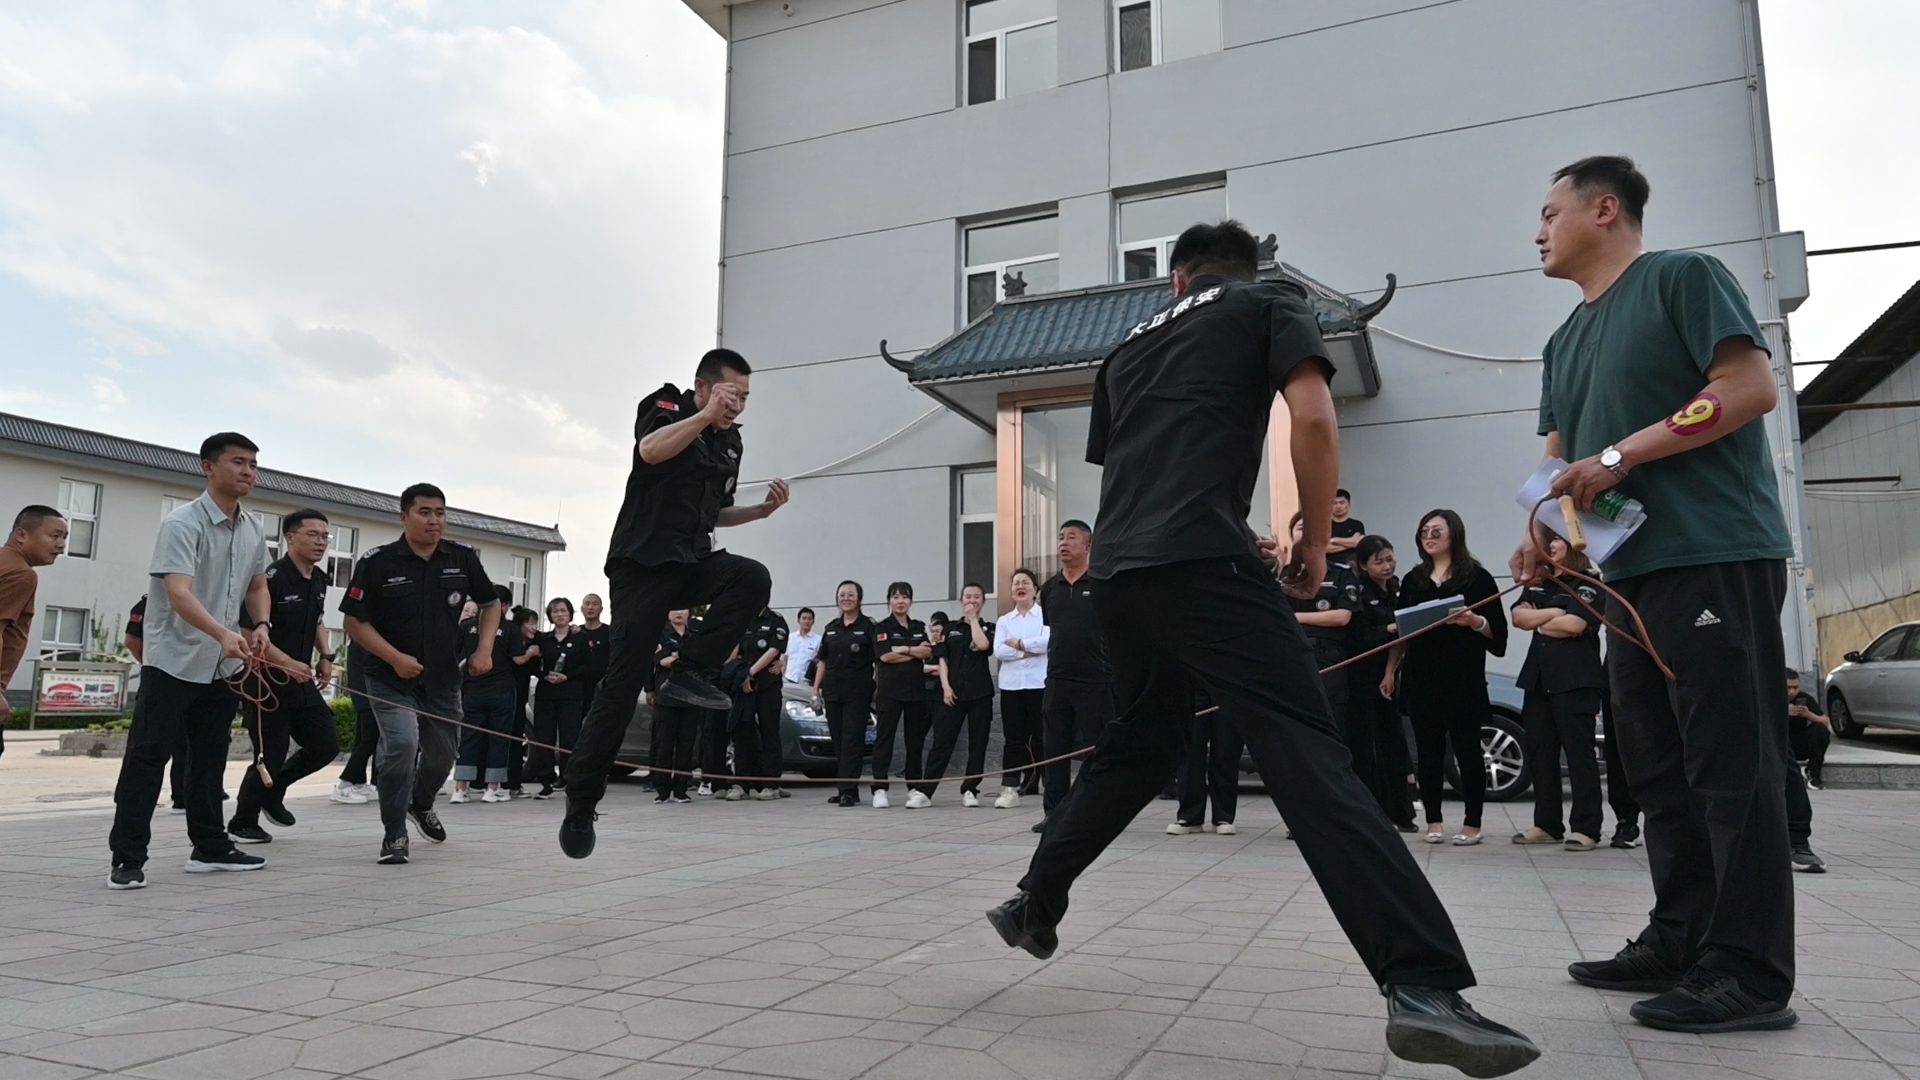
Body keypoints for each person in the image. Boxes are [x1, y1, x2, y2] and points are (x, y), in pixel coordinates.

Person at [988, 222, 1537, 1077]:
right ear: (1245, 271)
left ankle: (1035, 898)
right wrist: (1314, 539)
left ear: (1176, 280)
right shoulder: (1269, 300)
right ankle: (1422, 984)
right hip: (1204, 567)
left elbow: (1137, 471)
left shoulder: (1125, 349)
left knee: (1142, 745)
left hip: (1122, 575)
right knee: (1307, 752)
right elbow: (1311, 415)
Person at [1523, 156, 1799, 1033]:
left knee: (1729, 762)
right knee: (1653, 765)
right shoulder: (1562, 342)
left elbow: (1748, 388)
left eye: (1551, 212)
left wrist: (1620, 456)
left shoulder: (1683, 278)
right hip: (1627, 577)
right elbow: (1558, 461)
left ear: (1605, 209)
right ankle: (1681, 939)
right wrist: (1539, 533)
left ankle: (1749, 971)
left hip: (1713, 553)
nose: (1538, 230)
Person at [560, 348, 788, 858]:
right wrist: (703, 417)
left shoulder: (731, 442)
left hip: (690, 562)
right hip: (642, 566)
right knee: (621, 687)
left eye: (745, 397)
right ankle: (581, 801)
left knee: (751, 577)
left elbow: (718, 511)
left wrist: (760, 512)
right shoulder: (667, 406)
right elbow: (650, 451)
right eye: (730, 394)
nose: (737, 405)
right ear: (702, 387)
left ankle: (691, 670)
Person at [109, 433, 275, 890]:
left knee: (209, 758)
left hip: (221, 664)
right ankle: (127, 857)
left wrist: (261, 625)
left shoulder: (253, 527)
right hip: (173, 659)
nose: (248, 471)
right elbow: (178, 593)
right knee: (148, 756)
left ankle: (210, 847)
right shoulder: (182, 523)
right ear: (208, 467)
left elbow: (258, 585)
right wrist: (222, 633)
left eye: (253, 464)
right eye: (238, 462)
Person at [341, 482, 501, 866]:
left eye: (440, 513)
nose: (434, 520)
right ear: (404, 516)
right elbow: (353, 623)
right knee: (401, 745)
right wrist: (395, 657)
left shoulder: (462, 558)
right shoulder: (378, 562)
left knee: (443, 755)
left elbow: (491, 603)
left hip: (442, 679)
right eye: (424, 512)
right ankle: (394, 833)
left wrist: (484, 649)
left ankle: (421, 802)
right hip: (389, 677)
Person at [227, 510, 341, 844]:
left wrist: (325, 656)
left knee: (325, 745)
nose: (320, 542)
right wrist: (286, 662)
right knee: (271, 754)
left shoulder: (318, 579)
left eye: (325, 536)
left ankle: (273, 791)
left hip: (301, 679)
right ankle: (243, 822)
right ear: (290, 538)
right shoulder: (271, 579)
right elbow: (248, 631)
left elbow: (316, 619)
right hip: (266, 682)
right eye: (312, 535)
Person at [1398, 509, 1508, 847]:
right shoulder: (1413, 580)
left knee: (1468, 752)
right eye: (1424, 531)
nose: (1428, 537)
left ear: (1454, 535)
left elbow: (1499, 636)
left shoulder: (1478, 578)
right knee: (1428, 753)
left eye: (1437, 531)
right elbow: (1401, 631)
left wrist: (1474, 621)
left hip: (1463, 679)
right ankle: (1433, 821)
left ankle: (1473, 823)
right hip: (1421, 677)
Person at [1509, 530, 1606, 851]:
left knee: (1579, 756)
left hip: (1575, 681)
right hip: (1538, 679)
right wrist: (1554, 615)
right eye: (1548, 539)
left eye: (1557, 539)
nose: (1550, 545)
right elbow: (1518, 617)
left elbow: (1575, 625)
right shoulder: (1540, 582)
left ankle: (1586, 828)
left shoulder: (1590, 584)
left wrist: (1539, 619)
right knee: (1541, 753)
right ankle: (1547, 824)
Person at [1037, 522, 1113, 833]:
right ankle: (1054, 813)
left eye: (1072, 538)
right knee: (1054, 748)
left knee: (1097, 749)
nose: (1064, 543)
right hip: (1057, 679)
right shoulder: (1050, 589)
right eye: (1061, 537)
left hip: (1095, 679)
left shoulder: (1101, 583)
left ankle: (1095, 812)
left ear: (1088, 547)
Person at [1285, 512, 1364, 806]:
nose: (1305, 534)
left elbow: (1342, 617)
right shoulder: (1281, 575)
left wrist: (1294, 617)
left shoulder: (1342, 573)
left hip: (1329, 659)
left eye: (1311, 528)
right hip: (1290, 658)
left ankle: (1335, 804)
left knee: (1332, 734)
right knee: (1296, 737)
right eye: (1299, 528)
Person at [1349, 535, 1417, 831]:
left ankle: (1401, 812)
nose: (1387, 566)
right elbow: (1358, 637)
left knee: (1394, 743)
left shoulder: (1396, 588)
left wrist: (1390, 672)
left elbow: (1401, 639)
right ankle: (1369, 813)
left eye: (1390, 559)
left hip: (1388, 673)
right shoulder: (1358, 592)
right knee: (1365, 745)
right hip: (1360, 675)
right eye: (1379, 562)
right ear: (1364, 565)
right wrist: (1389, 628)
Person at [0, 505, 68, 761]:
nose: (61, 545)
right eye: (54, 536)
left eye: (64, 537)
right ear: (21, 534)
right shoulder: (20, 573)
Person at [922, 584, 996, 807]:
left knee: (978, 743)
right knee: (942, 741)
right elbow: (942, 659)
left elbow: (982, 645)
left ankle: (970, 789)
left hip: (980, 693)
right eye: (967, 596)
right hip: (953, 693)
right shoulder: (950, 628)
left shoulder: (988, 627)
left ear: (983, 601)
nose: (971, 600)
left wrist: (973, 620)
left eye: (976, 597)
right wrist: (946, 687)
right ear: (961, 600)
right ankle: (925, 791)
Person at [454, 604, 536, 803]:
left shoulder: (467, 626)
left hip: (472, 690)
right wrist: (531, 652)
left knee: (468, 739)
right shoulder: (509, 629)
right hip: (501, 691)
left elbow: (455, 654)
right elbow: (518, 659)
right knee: (499, 739)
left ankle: (460, 789)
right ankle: (492, 788)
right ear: (503, 606)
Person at [125, 595, 200, 813]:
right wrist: (153, 664)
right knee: (146, 744)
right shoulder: (152, 601)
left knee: (185, 743)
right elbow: (132, 639)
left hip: (193, 679)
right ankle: (128, 800)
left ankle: (183, 795)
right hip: (161, 677)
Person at [869, 582, 933, 809]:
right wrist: (914, 652)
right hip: (890, 692)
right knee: (884, 740)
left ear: (911, 601)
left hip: (915, 691)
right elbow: (885, 656)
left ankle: (914, 786)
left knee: (914, 741)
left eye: (905, 597)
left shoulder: (917, 626)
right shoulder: (882, 627)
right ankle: (879, 788)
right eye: (895, 597)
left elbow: (927, 651)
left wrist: (903, 649)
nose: (900, 601)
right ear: (889, 601)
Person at [814, 581, 875, 807]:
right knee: (839, 741)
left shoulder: (868, 627)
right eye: (842, 595)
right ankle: (846, 789)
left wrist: (876, 689)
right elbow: (823, 661)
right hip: (832, 692)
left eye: (851, 595)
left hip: (857, 693)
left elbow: (877, 662)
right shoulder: (831, 628)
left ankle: (848, 790)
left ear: (859, 599)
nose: (846, 598)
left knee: (852, 741)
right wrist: (815, 689)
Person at [993, 567, 1049, 809]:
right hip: (1012, 685)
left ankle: (1050, 785)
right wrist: (1026, 650)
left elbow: (1048, 642)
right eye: (1016, 583)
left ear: (1035, 590)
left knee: (1042, 735)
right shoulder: (1004, 621)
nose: (1020, 586)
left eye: (1025, 582)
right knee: (1013, 739)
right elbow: (999, 650)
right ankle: (1010, 788)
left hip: (1039, 683)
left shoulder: (1046, 615)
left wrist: (1018, 644)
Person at [528, 597, 587, 799]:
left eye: (563, 610)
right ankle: (546, 782)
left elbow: (589, 665)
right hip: (546, 694)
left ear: (570, 613)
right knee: (544, 738)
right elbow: (532, 663)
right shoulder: (543, 639)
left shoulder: (580, 637)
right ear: (550, 616)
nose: (560, 614)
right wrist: (544, 675)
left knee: (570, 738)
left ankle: (568, 779)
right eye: (555, 611)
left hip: (571, 694)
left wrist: (567, 676)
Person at [1169, 688, 1241, 835]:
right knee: (1189, 749)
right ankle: (1190, 815)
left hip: (1229, 685)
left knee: (1226, 749)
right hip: (1193, 684)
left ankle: (1223, 816)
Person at [735, 604, 790, 800]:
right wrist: (739, 673)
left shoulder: (776, 620)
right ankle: (741, 783)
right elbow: (735, 651)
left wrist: (750, 673)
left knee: (769, 732)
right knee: (742, 733)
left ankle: (771, 783)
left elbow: (774, 650)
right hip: (743, 686)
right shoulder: (742, 618)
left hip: (767, 684)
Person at [649, 610, 699, 802]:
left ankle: (681, 789)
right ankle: (662, 790)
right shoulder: (660, 634)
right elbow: (663, 660)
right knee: (664, 745)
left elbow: (703, 659)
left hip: (691, 696)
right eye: (675, 609)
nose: (679, 613)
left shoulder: (695, 634)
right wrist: (688, 660)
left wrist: (679, 658)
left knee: (686, 745)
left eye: (683, 609)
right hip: (667, 697)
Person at [1785, 668, 1829, 873]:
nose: (1792, 692)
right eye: (1788, 688)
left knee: (1820, 730)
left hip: (1795, 746)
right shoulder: (1772, 698)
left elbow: (1826, 722)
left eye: (1795, 687)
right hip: (1774, 738)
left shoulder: (1804, 699)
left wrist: (1808, 714)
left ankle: (1813, 773)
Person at [332, 639, 380, 804]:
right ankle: (345, 784)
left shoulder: (359, 639)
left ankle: (359, 783)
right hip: (368, 696)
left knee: (364, 740)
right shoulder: (363, 638)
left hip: (366, 696)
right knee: (370, 741)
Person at [578, 593, 611, 719]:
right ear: (581, 609)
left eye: (595, 604)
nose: (590, 607)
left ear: (601, 609)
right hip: (579, 688)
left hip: (602, 688)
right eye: (587, 604)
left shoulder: (609, 632)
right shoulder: (576, 632)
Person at [1328, 489, 1366, 567]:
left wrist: (1334, 540)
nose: (1338, 506)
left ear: (1349, 505)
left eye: (1342, 503)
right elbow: (1324, 549)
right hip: (1330, 567)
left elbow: (1359, 543)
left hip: (1352, 566)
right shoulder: (1325, 526)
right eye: (1334, 503)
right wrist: (1350, 543)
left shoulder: (1357, 525)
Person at [786, 606, 821, 685]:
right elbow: (785, 658)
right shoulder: (790, 638)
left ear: (813, 621)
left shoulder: (818, 640)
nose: (807, 621)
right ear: (799, 620)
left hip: (806, 682)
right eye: (804, 618)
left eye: (809, 619)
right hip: (788, 679)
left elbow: (819, 662)